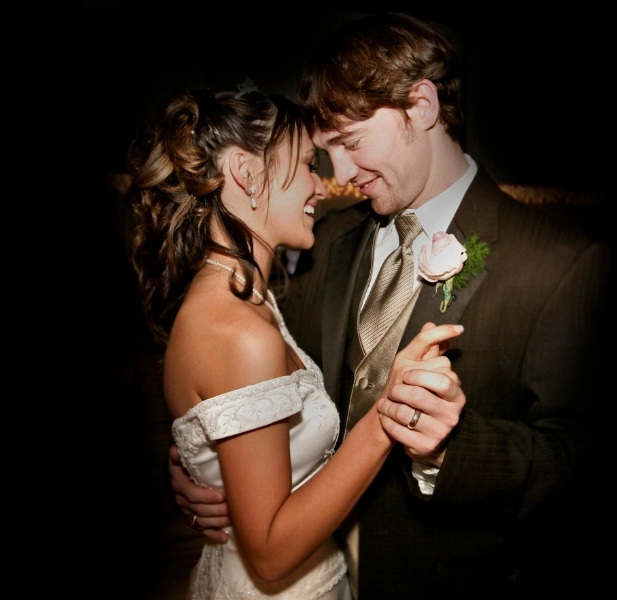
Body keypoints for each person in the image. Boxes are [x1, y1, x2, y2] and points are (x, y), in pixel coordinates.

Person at [169, 12, 612, 597]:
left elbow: (584, 467)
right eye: (327, 154)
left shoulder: (560, 263)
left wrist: (448, 446)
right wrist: (202, 461)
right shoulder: (327, 239)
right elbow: (256, 382)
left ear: (421, 107)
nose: (343, 177)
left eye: (351, 144)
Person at [128, 85, 467, 599]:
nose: (322, 183)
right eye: (309, 162)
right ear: (246, 174)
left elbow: (232, 427)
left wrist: (200, 461)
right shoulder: (238, 330)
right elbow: (268, 555)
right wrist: (387, 413)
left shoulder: (252, 300)